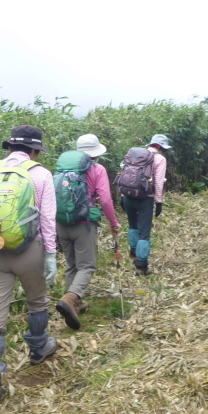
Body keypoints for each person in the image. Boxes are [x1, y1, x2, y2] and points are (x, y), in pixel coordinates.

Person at [0, 125, 58, 409]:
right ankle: (38, 348)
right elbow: (47, 218)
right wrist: (52, 255)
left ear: (9, 147)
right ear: (34, 150)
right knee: (37, 301)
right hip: (29, 250)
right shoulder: (41, 174)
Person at [55, 134, 121, 330]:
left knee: (72, 265)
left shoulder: (62, 169)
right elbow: (106, 200)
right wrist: (114, 222)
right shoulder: (97, 169)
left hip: (61, 222)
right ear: (96, 153)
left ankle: (76, 304)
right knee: (87, 267)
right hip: (84, 223)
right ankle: (71, 298)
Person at [120, 133, 170, 275]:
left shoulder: (135, 154)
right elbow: (159, 182)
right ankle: (141, 266)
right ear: (161, 148)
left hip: (128, 196)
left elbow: (125, 175)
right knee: (144, 234)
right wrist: (159, 201)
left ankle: (134, 254)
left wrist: (122, 196)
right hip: (145, 199)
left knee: (132, 225)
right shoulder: (160, 159)